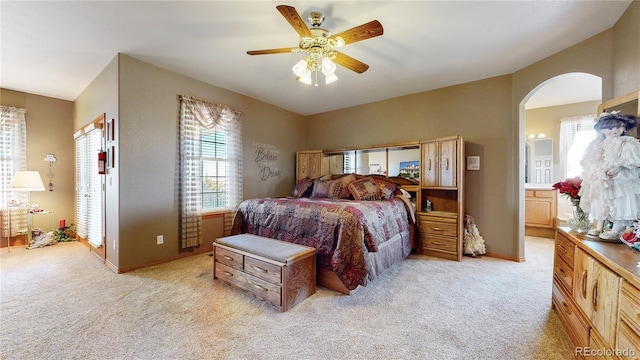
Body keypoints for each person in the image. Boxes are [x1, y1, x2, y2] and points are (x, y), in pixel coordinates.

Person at [578, 112, 640, 240]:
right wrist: (595, 172)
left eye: (618, 127)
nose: (614, 130)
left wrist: (616, 168)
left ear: (624, 128)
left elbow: (631, 160)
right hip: (601, 178)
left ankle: (616, 229)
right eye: (610, 128)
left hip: (618, 179)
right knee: (600, 201)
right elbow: (592, 160)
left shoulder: (626, 143)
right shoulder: (597, 144)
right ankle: (599, 226)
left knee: (619, 201)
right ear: (601, 130)